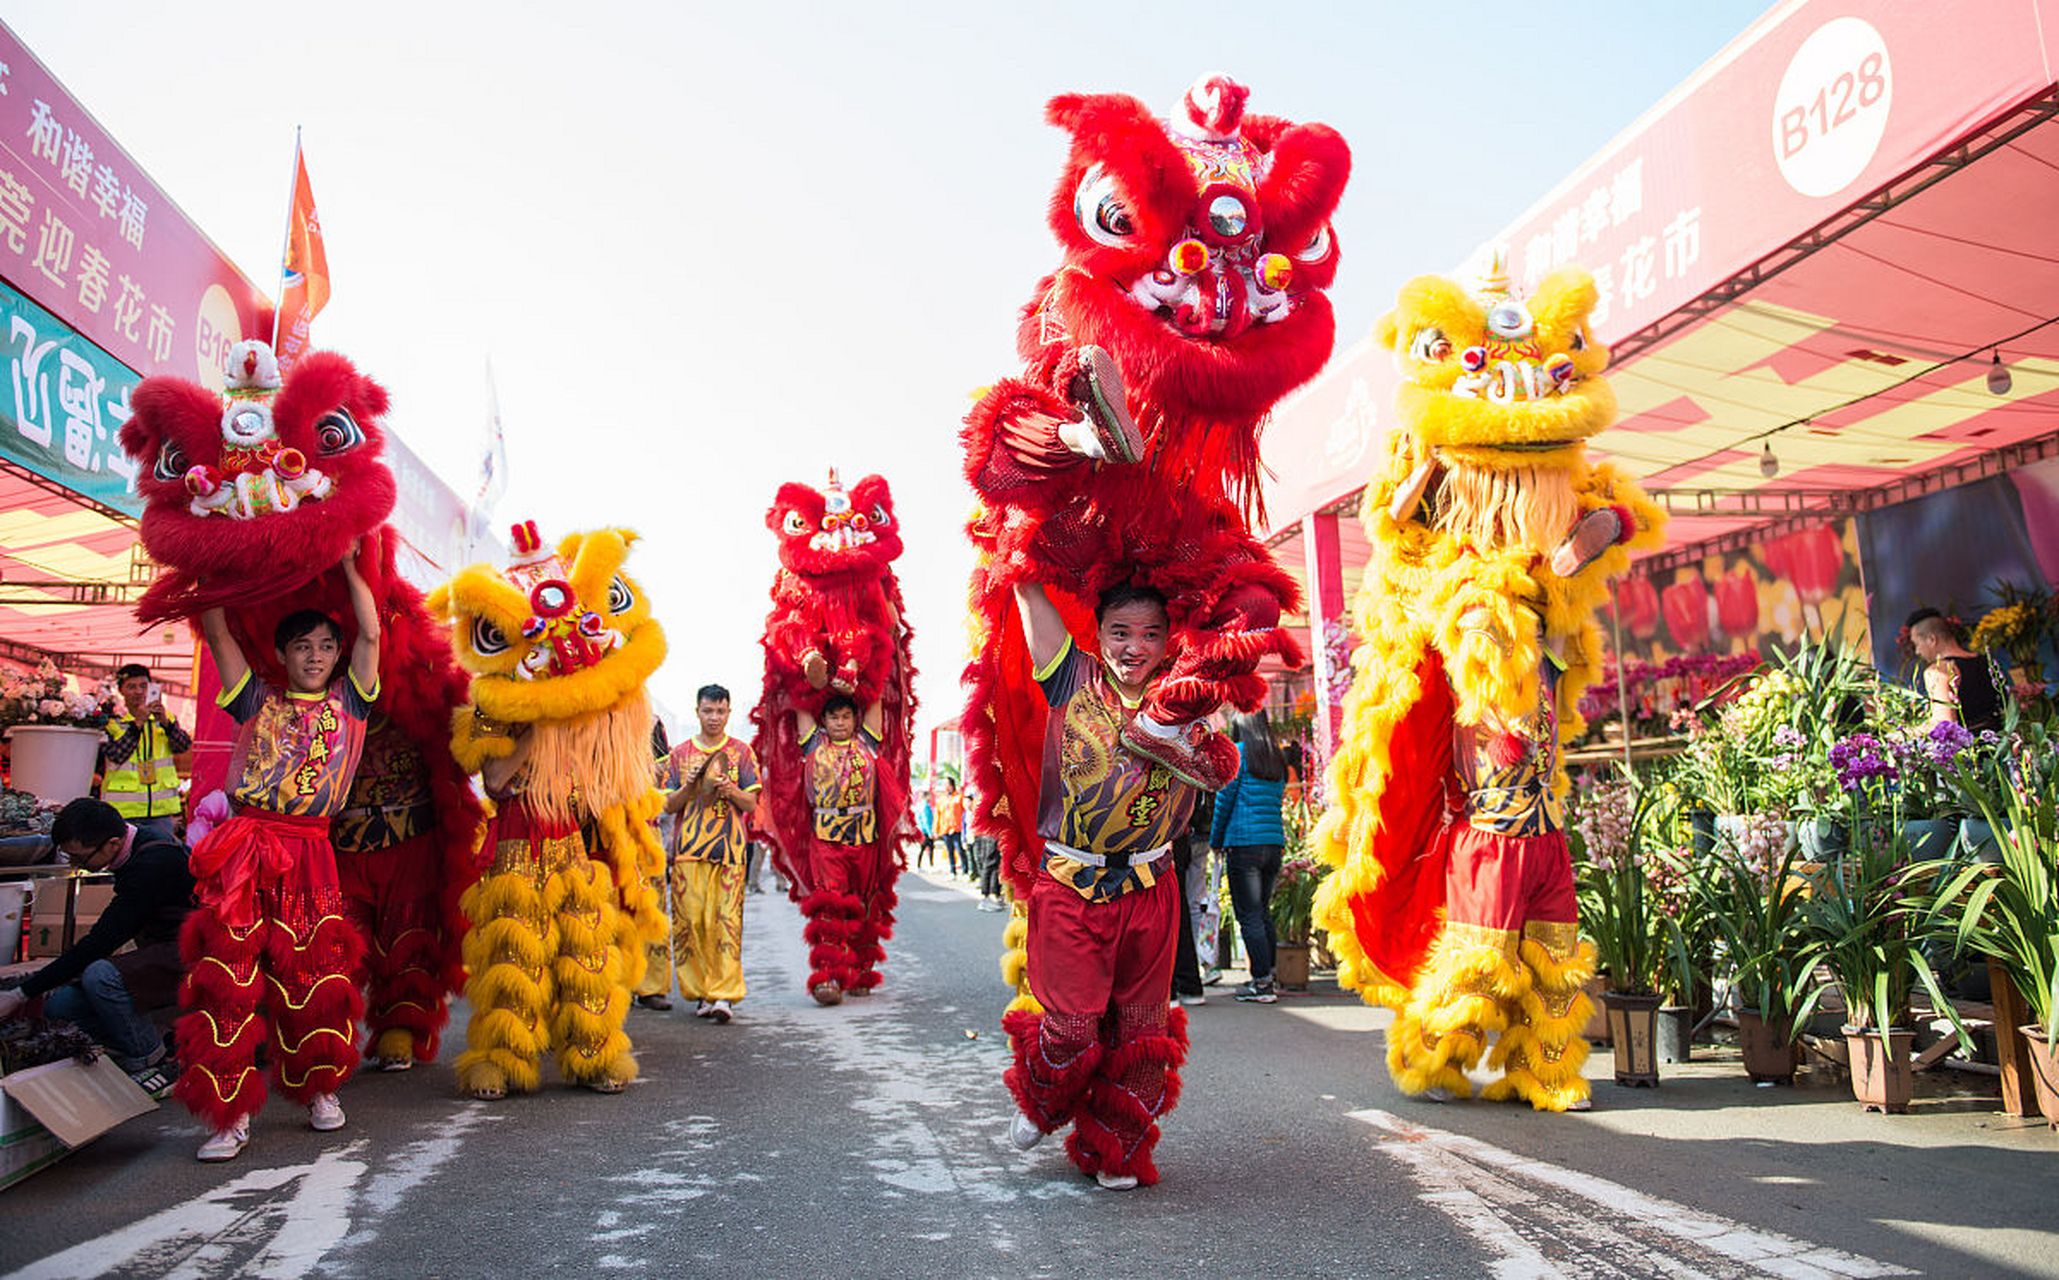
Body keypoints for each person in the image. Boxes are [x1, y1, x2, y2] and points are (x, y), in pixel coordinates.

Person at [176, 544, 379, 1162]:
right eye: (301, 647)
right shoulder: (254, 699)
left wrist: (350, 566)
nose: (314, 657)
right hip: (246, 849)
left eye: (324, 647)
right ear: (283, 655)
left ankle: (319, 1089)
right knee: (230, 980)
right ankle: (228, 1112)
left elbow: (371, 631)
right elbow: (216, 630)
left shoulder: (351, 702)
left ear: (337, 655)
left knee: (313, 974)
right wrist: (210, 563)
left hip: (312, 852)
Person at [1001, 581, 1195, 1192]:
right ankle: (1043, 1102)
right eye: (1120, 632)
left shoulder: (1188, 694)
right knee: (1072, 1029)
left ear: (1168, 639)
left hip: (1150, 888)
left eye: (1149, 634)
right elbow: (1027, 592)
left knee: (1142, 1031)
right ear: (1097, 632)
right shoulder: (1071, 677)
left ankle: (1113, 1147)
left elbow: (1220, 766)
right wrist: (1019, 552)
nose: (1134, 647)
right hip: (1071, 887)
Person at [0, 798, 193, 1092]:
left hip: (194, 952)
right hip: (162, 950)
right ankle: (158, 1038)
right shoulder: (133, 845)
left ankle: (154, 1060)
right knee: (62, 1006)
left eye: (81, 858)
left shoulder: (152, 863)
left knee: (101, 975)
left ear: (112, 843)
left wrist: (20, 993)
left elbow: (101, 941)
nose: (78, 866)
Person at [662, 685, 761, 1024]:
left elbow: (751, 803)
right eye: (708, 711)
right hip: (688, 851)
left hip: (730, 851)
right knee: (691, 923)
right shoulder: (678, 755)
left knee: (726, 923)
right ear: (697, 712)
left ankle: (724, 995)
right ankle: (701, 992)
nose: (714, 717)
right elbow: (668, 804)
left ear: (729, 713)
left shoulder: (742, 753)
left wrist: (729, 789)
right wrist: (690, 786)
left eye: (720, 711)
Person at [795, 692, 890, 1003]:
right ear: (823, 720)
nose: (840, 722)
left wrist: (870, 657)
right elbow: (799, 694)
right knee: (830, 904)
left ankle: (861, 972)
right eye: (833, 717)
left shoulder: (867, 742)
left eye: (845, 716)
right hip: (825, 837)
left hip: (865, 834)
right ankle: (828, 978)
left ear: (855, 719)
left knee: (865, 903)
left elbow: (874, 693)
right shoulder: (812, 743)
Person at [1211, 712, 1288, 1005]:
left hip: (1244, 843)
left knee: (1250, 914)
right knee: (1263, 911)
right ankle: (1269, 973)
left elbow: (1224, 800)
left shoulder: (1240, 754)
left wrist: (1217, 840)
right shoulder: (1276, 757)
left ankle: (1262, 984)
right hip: (1273, 843)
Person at [99, 663, 190, 842]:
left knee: (160, 855)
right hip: (123, 810)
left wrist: (166, 723)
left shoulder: (165, 718)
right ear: (121, 691)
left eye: (143, 686)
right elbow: (116, 755)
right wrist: (138, 723)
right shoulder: (112, 722)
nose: (139, 692)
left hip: (160, 810)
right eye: (131, 687)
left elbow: (183, 746)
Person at [1907, 608, 2005, 735]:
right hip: (1999, 744)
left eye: (1916, 644)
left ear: (1932, 640)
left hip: (1971, 749)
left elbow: (1945, 724)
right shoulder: (1986, 661)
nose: (1917, 651)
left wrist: (1905, 733)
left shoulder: (1938, 671)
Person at [636, 717, 677, 1011]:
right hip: (604, 827)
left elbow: (663, 770)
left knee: (652, 904)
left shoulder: (650, 721)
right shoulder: (595, 713)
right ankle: (614, 982)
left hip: (645, 825)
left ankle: (651, 985)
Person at [935, 776, 965, 877]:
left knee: (960, 849)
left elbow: (964, 812)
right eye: (944, 784)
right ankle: (953, 871)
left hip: (957, 828)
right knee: (950, 851)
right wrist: (936, 829)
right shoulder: (941, 799)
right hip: (945, 829)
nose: (945, 786)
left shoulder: (959, 797)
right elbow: (937, 815)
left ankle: (965, 870)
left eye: (947, 784)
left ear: (952, 785)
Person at [915, 788, 937, 871]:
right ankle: (930, 866)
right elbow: (926, 820)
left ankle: (919, 866)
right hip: (926, 831)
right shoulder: (926, 806)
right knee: (929, 848)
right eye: (930, 796)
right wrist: (930, 832)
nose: (931, 798)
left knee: (922, 848)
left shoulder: (919, 805)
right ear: (926, 796)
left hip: (921, 830)